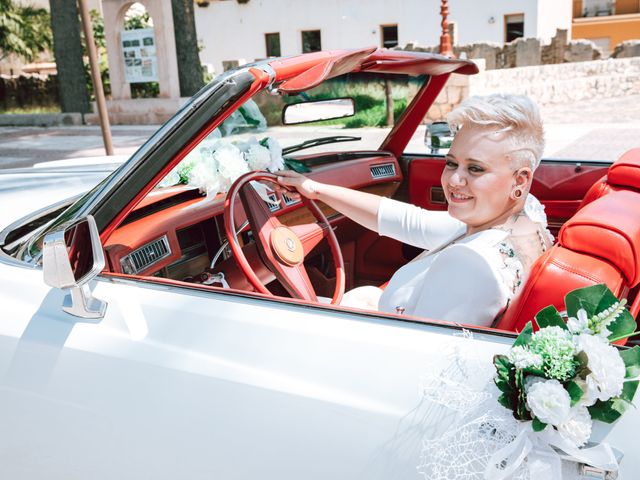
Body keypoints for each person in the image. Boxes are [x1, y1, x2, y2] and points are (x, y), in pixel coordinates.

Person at [276, 94, 553, 327]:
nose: (454, 180)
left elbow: (418, 358)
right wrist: (316, 190)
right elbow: (411, 222)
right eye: (451, 163)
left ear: (520, 179)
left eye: (476, 168)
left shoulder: (471, 264)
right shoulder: (523, 215)